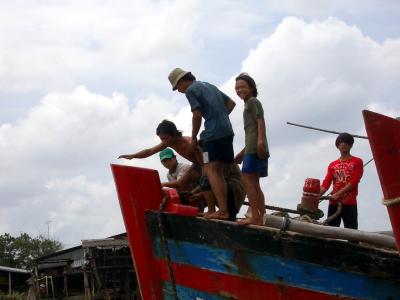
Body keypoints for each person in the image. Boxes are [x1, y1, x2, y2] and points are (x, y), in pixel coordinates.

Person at [168, 68, 236, 220]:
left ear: (182, 81)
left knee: (211, 171)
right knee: (215, 171)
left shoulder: (190, 90)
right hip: (227, 132)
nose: (178, 91)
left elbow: (196, 114)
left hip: (212, 135)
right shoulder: (209, 85)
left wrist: (193, 138)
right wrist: (219, 117)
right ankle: (217, 210)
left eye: (177, 87)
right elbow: (231, 104)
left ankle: (222, 211)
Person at [234, 73, 270, 225]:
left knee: (246, 179)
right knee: (254, 183)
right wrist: (242, 153)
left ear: (252, 88)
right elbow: (251, 132)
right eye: (237, 88)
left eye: (243, 86)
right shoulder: (248, 104)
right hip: (252, 147)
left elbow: (260, 121)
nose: (239, 89)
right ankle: (261, 217)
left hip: (255, 148)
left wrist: (260, 142)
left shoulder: (253, 102)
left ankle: (254, 216)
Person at [319, 132, 363, 229]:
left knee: (352, 234)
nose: (343, 144)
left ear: (351, 145)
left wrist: (338, 194)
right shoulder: (332, 165)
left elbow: (354, 181)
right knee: (330, 233)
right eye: (340, 142)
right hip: (334, 203)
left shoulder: (357, 161)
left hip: (350, 203)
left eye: (346, 142)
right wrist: (315, 196)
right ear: (337, 146)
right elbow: (326, 184)